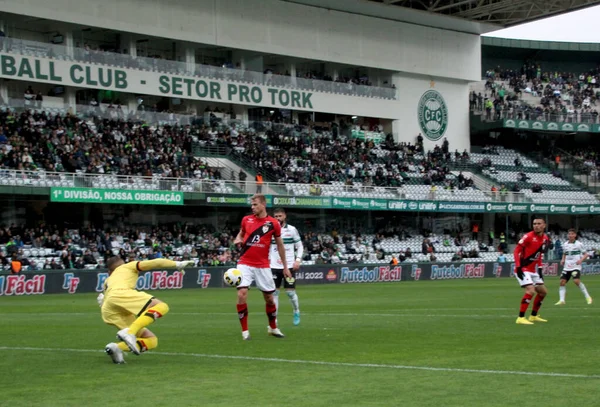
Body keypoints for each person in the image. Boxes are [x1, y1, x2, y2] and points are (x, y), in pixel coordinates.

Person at [99, 257, 194, 363]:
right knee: (162, 306)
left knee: (151, 340)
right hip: (120, 295)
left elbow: (106, 299)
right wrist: (176, 264)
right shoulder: (127, 266)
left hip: (109, 309)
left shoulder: (108, 281)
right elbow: (154, 263)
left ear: (109, 272)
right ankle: (129, 333)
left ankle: (117, 348)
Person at [234, 194, 291, 340]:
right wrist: (238, 240)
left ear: (263, 205)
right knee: (242, 294)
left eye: (255, 205)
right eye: (251, 205)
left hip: (263, 265)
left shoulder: (273, 223)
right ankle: (245, 331)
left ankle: (273, 328)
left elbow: (280, 245)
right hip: (245, 262)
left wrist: (285, 267)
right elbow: (240, 235)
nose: (252, 207)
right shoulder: (246, 220)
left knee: (269, 299)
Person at [270, 207, 304, 326]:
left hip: (289, 265)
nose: (278, 218)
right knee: (274, 294)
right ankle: (274, 320)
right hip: (273, 266)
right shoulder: (269, 230)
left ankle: (296, 311)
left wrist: (298, 260)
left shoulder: (291, 230)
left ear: (284, 216)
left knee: (290, 293)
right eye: (276, 216)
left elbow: (299, 246)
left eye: (280, 216)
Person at [513, 217, 550, 325]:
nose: (536, 225)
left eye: (539, 223)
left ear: (544, 225)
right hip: (523, 268)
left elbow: (539, 255)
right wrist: (518, 267)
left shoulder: (545, 238)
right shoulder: (528, 236)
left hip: (532, 270)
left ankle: (533, 316)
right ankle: (520, 318)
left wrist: (540, 269)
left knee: (543, 292)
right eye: (534, 224)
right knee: (530, 290)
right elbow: (516, 252)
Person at [555, 229, 592, 305]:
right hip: (567, 267)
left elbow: (586, 254)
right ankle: (562, 300)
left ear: (575, 235)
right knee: (562, 282)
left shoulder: (579, 244)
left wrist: (581, 260)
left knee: (576, 281)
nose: (570, 235)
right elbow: (565, 253)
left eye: (572, 234)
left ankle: (588, 297)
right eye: (569, 234)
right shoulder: (565, 244)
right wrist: (562, 259)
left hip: (575, 266)